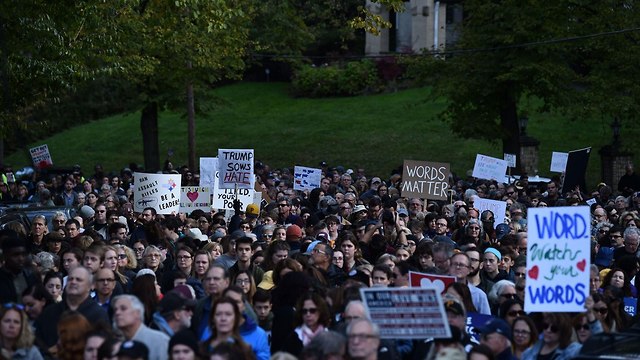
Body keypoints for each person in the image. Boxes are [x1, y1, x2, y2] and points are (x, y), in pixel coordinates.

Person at [35, 266, 109, 350]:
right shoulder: (49, 312)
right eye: (70, 279)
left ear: (89, 286)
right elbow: (39, 343)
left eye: (79, 280)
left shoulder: (98, 314)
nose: (73, 282)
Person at [112, 294, 170, 360]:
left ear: (138, 313)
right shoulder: (114, 344)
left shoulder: (160, 341)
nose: (117, 313)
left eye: (123, 308)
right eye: (115, 310)